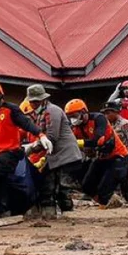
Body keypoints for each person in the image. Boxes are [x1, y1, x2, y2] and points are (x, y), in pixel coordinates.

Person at [0, 80, 48, 220]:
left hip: (10, 153)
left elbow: (27, 124)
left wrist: (41, 135)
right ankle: (2, 212)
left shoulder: (11, 109)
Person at [26, 85, 83, 218]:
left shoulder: (53, 111)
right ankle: (49, 214)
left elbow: (51, 137)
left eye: (36, 101)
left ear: (43, 100)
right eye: (32, 102)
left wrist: (31, 149)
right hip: (54, 156)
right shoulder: (40, 114)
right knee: (46, 185)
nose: (33, 104)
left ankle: (68, 216)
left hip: (66, 155)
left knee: (63, 188)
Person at [65, 99, 128, 209]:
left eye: (75, 115)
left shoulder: (99, 118)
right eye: (70, 116)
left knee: (105, 187)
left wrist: (77, 143)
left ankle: (105, 205)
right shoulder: (75, 128)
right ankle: (108, 203)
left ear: (84, 111)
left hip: (117, 156)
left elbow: (98, 139)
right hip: (101, 157)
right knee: (86, 186)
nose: (73, 119)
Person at [102, 101, 128, 206]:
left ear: (116, 112)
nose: (106, 115)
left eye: (109, 112)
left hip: (127, 156)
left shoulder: (125, 124)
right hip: (114, 156)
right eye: (105, 113)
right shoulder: (107, 126)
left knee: (124, 180)